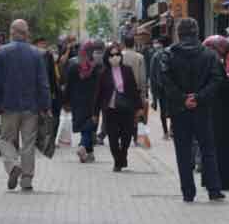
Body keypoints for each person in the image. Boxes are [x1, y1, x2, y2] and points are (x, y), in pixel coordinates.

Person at [160, 18, 225, 202]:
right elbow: (216, 80)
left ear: (178, 33)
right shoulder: (209, 55)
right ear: (196, 32)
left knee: (183, 151)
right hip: (202, 108)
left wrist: (182, 98)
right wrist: (199, 97)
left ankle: (188, 192)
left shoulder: (169, 54)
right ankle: (214, 189)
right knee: (207, 149)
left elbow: (165, 81)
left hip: (179, 109)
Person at [0, 19, 51, 191]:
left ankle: (13, 166)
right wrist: (46, 106)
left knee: (6, 140)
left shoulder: (2, 53)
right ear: (27, 33)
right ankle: (27, 180)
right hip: (31, 107)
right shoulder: (36, 54)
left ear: (12, 32)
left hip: (8, 106)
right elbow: (43, 83)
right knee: (28, 143)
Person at [93, 43, 143, 172]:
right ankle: (117, 161)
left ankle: (124, 153)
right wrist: (95, 113)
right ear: (107, 57)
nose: (115, 57)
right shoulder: (103, 73)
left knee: (127, 135)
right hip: (110, 110)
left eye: (117, 54)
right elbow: (98, 94)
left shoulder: (127, 70)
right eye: (112, 55)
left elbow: (134, 90)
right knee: (113, 138)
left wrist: (139, 107)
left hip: (127, 108)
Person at [203, 35, 229, 191]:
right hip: (221, 112)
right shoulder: (216, 65)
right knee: (222, 146)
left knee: (211, 146)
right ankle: (223, 179)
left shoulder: (205, 64)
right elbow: (224, 89)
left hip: (209, 110)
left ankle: (210, 178)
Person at [64, 42, 100, 163]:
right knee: (89, 125)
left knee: (84, 125)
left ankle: (89, 153)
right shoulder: (96, 66)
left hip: (77, 101)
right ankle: (83, 145)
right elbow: (99, 86)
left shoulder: (73, 66)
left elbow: (68, 85)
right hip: (92, 101)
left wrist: (66, 101)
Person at [34, 37, 61, 135]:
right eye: (41, 44)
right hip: (34, 92)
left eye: (44, 44)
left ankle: (47, 135)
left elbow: (52, 75)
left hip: (47, 90)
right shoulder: (32, 55)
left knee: (47, 115)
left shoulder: (48, 56)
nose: (43, 46)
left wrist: (53, 91)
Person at [150, 36, 171, 140]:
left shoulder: (156, 56)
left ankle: (166, 132)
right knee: (173, 109)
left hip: (161, 87)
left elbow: (152, 75)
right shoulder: (174, 53)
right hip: (173, 88)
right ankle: (172, 130)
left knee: (163, 110)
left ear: (161, 44)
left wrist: (154, 96)